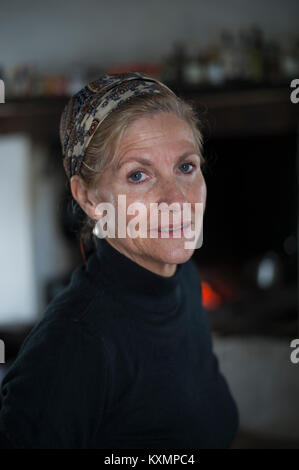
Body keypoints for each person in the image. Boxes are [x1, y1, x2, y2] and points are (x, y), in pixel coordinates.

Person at [0, 71, 239, 449]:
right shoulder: (72, 347)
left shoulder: (183, 279)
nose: (177, 201)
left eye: (186, 167)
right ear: (89, 198)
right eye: (139, 175)